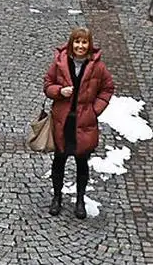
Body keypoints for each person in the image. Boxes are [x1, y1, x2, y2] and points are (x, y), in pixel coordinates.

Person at [42, 27, 115, 219]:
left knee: (82, 163)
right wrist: (59, 91)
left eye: (84, 42)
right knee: (59, 161)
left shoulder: (97, 66)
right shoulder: (60, 63)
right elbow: (47, 84)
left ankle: (80, 200)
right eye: (77, 42)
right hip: (63, 122)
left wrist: (95, 110)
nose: (80, 46)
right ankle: (56, 197)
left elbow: (107, 88)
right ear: (71, 43)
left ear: (89, 45)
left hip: (84, 123)